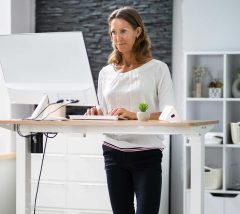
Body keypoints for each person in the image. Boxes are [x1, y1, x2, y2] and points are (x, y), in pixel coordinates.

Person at [86, 6, 175, 214]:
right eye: (113, 32)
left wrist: (136, 115)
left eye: (123, 31)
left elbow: (169, 113)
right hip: (113, 152)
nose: (118, 38)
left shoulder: (158, 69)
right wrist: (98, 113)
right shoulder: (106, 73)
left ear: (138, 31)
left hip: (147, 154)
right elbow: (108, 111)